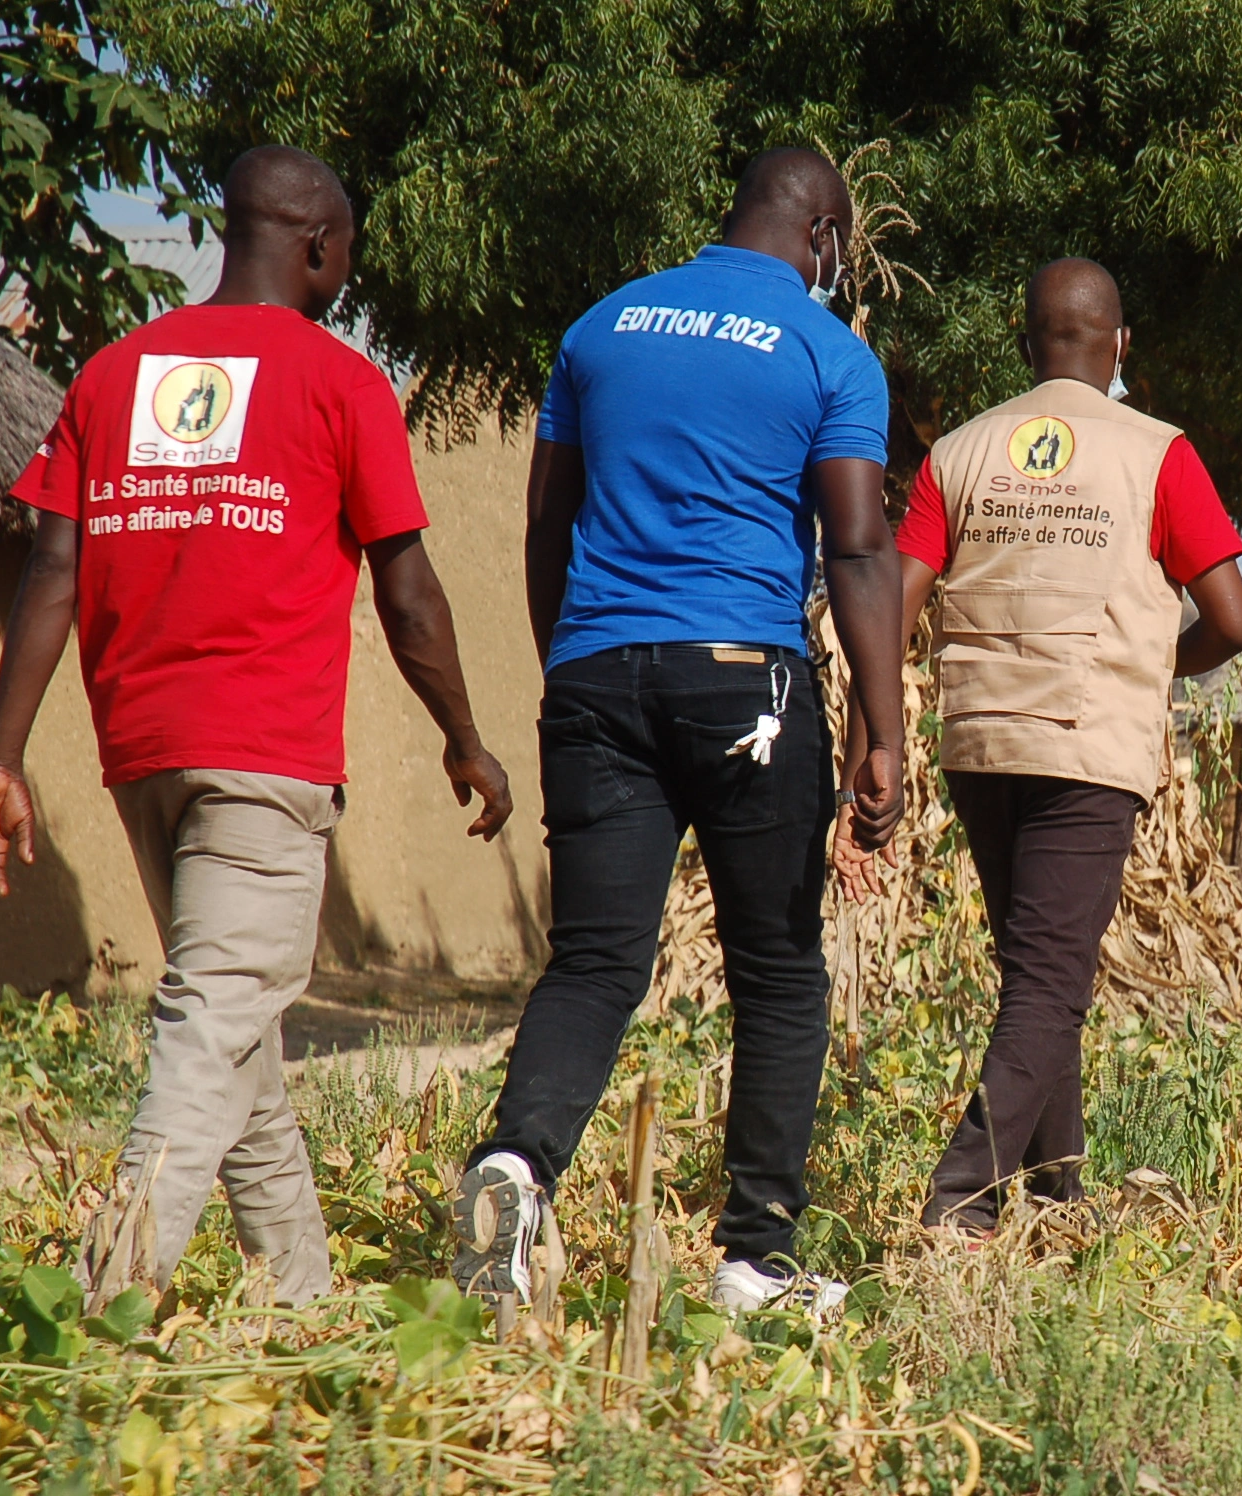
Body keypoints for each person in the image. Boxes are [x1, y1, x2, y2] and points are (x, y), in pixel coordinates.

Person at [0, 145, 513, 1307]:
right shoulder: (342, 383)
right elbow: (410, 587)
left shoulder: (112, 374)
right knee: (209, 1029)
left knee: (238, 1044)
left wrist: (6, 749)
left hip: (143, 756)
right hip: (265, 760)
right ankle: (97, 1315)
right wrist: (464, 734)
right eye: (347, 249)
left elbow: (51, 570)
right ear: (320, 245)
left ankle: (301, 1301)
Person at [449, 148, 906, 1314]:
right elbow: (856, 546)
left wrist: (574, 671)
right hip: (745, 680)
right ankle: (755, 1259)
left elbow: (546, 521)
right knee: (778, 970)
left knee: (599, 958)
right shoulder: (827, 349)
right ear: (824, 237)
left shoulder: (602, 325)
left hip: (598, 673)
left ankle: (515, 1164)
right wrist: (885, 730)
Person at [836, 258, 1242, 1236]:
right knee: (1048, 982)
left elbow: (892, 610)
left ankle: (1056, 1194)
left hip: (981, 744)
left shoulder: (963, 450)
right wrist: (1151, 668)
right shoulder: (1160, 454)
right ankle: (958, 1206)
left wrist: (876, 744)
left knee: (1036, 968)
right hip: (1086, 743)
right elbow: (1233, 618)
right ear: (1121, 346)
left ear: (1026, 346)